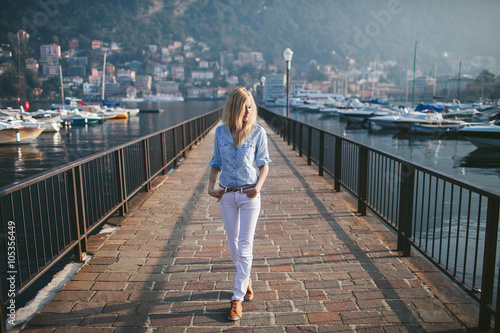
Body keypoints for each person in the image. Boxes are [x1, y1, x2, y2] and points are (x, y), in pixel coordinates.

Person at [208, 87, 271, 321]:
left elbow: (264, 164)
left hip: (249, 196)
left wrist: (258, 187)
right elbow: (215, 162)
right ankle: (245, 280)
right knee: (233, 247)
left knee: (245, 247)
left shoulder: (257, 133)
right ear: (234, 107)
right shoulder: (220, 133)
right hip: (226, 196)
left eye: (250, 106)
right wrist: (210, 186)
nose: (248, 110)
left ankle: (237, 298)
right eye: (244, 106)